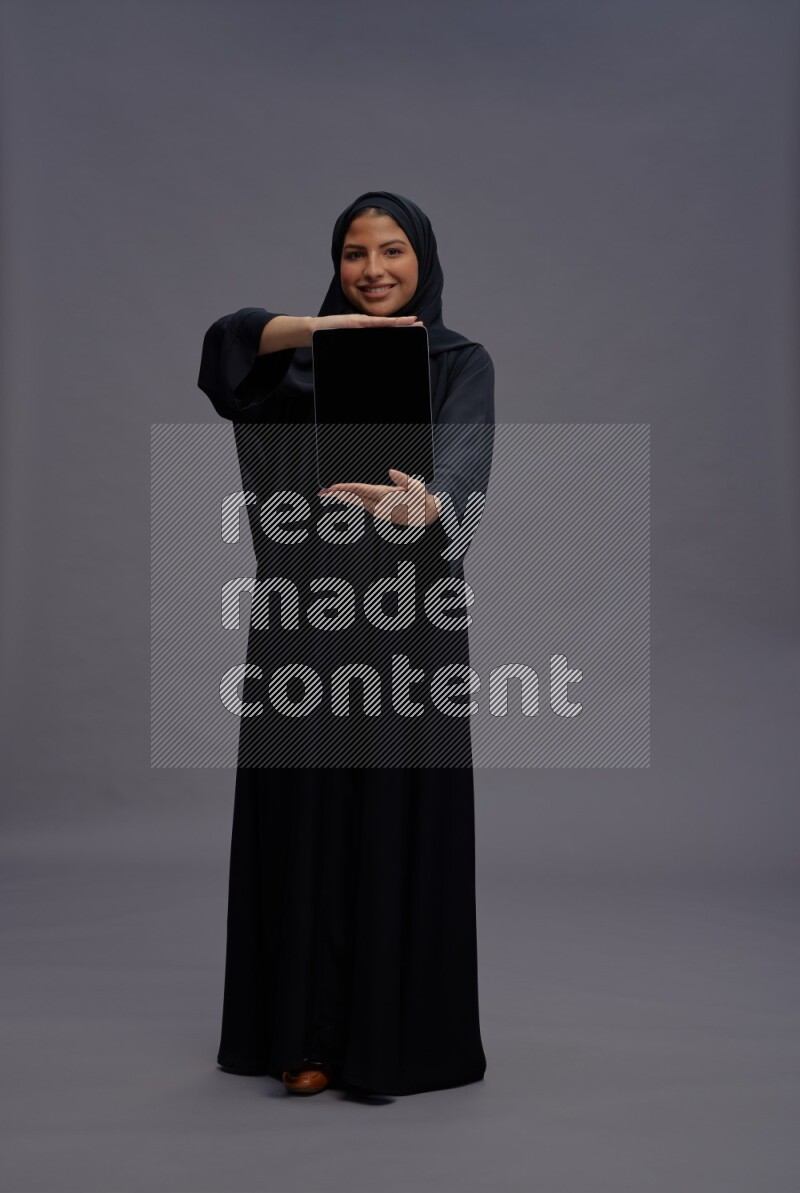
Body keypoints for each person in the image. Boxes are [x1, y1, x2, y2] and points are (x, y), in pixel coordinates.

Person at [197, 190, 495, 1097]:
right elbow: (224, 350)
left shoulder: (459, 361)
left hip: (408, 619)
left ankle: (385, 1040)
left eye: (393, 250)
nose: (374, 270)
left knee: (394, 806)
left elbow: (466, 461)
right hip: (307, 616)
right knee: (308, 806)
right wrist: (324, 330)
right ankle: (305, 1036)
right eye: (356, 253)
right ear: (335, 265)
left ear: (424, 258)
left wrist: (428, 504)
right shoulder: (295, 364)